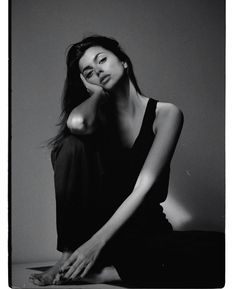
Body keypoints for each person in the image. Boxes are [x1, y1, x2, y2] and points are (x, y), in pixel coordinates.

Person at [29, 35, 184, 287]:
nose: (97, 71)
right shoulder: (94, 117)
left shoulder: (166, 114)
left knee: (217, 249)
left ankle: (106, 273)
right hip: (95, 234)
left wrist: (94, 244)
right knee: (70, 144)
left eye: (102, 60)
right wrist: (99, 95)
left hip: (141, 231)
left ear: (123, 61)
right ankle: (67, 257)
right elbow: (76, 123)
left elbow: (142, 188)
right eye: (88, 72)